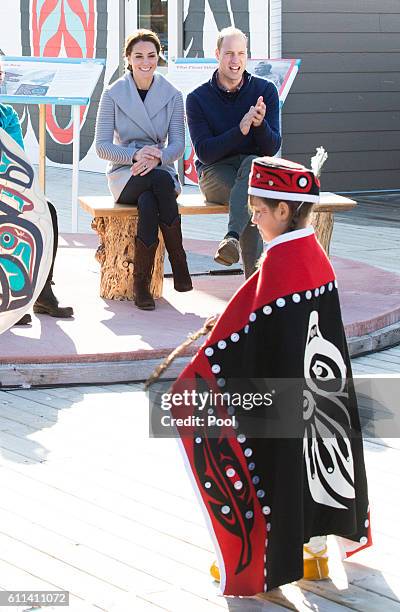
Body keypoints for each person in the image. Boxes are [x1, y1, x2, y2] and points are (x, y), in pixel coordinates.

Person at [168, 157, 371, 595]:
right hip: (318, 397)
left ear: (284, 211)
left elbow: (238, 342)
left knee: (275, 459)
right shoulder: (313, 255)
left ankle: (265, 560)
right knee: (316, 459)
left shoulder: (281, 265)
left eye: (258, 210)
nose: (253, 219)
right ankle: (314, 550)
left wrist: (201, 367)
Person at [95, 29, 192, 311]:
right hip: (125, 175)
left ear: (158, 57)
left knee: (151, 200)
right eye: (138, 56)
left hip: (159, 168)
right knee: (159, 183)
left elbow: (178, 145)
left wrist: (158, 157)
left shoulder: (173, 95)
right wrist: (136, 154)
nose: (145, 61)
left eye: (151, 55)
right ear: (128, 58)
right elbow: (102, 147)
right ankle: (179, 262)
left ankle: (141, 286)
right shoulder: (112, 94)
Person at [186, 26, 281, 278]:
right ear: (217, 54)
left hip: (252, 172)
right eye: (229, 53)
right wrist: (241, 129)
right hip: (214, 174)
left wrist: (259, 126)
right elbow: (205, 153)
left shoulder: (266, 90)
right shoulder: (197, 98)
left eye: (241, 53)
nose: (235, 60)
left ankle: (231, 239)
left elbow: (272, 148)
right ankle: (256, 286)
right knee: (252, 196)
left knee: (252, 172)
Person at [0, 63, 73, 324]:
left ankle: (41, 291)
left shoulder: (6, 114)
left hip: (5, 189)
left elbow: (15, 158)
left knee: (47, 211)